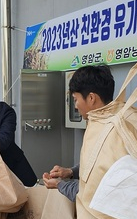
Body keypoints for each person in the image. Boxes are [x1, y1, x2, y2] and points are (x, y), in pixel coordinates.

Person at [42, 65, 114, 201]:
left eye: (76, 99)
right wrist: (70, 172)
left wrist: (60, 184)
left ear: (91, 98)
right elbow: (97, 165)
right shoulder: (107, 120)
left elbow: (93, 191)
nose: (75, 106)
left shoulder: (110, 130)